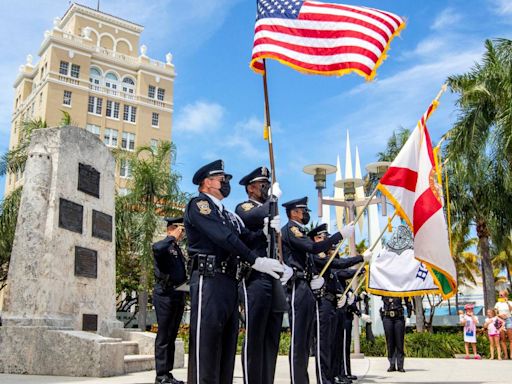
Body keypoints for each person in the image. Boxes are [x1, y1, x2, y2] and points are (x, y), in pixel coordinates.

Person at [184, 159, 283, 384]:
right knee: (207, 348)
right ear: (207, 182)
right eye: (222, 179)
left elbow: (244, 237)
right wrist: (255, 260)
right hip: (209, 280)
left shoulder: (228, 215)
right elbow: (223, 237)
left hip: (230, 282)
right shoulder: (199, 205)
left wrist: (265, 231)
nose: (226, 183)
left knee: (227, 350)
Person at [281, 197, 354, 384]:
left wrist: (315, 277)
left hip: (307, 287)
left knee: (305, 341)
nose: (305, 214)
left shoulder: (301, 231)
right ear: (294, 212)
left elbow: (312, 259)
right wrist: (339, 235)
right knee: (299, 341)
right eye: (303, 210)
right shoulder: (291, 229)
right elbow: (313, 248)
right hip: (297, 286)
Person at [235, 166, 291, 384]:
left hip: (273, 279)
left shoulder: (271, 211)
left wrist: (285, 266)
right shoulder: (245, 207)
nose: (266, 187)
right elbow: (253, 216)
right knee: (255, 336)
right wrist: (273, 200)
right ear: (250, 188)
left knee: (271, 336)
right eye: (262, 184)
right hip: (254, 278)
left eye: (268, 184)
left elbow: (277, 246)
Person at [307, 224, 371, 384]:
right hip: (321, 303)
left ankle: (331, 377)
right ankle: (325, 379)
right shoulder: (316, 256)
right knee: (324, 346)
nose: (326, 240)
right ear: (315, 239)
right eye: (322, 237)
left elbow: (338, 273)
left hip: (330, 304)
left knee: (330, 345)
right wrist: (361, 259)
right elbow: (340, 267)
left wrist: (343, 295)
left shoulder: (324, 258)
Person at [153, 217, 187, 384]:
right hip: (164, 294)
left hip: (177, 294)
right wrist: (171, 237)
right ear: (171, 229)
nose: (182, 233)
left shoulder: (176, 248)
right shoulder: (164, 245)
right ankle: (160, 375)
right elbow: (157, 249)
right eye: (180, 229)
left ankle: (168, 372)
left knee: (172, 335)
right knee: (164, 334)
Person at [380, 296, 412, 372]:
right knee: (390, 342)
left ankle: (400, 365)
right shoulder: (384, 286)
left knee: (399, 342)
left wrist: (408, 316)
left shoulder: (400, 287)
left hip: (399, 317)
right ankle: (392, 364)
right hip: (387, 317)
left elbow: (408, 301)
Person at [494, 290, 512, 359]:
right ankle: (506, 355)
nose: (500, 296)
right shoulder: (497, 303)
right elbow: (495, 313)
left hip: (508, 319)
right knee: (503, 339)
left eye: (501, 295)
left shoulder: (510, 302)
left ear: (505, 295)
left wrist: (507, 302)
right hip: (500, 320)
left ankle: (511, 355)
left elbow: (511, 310)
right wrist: (500, 315)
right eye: (499, 295)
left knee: (511, 339)